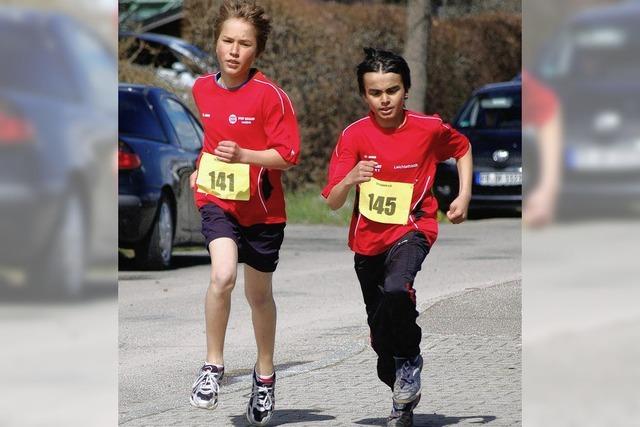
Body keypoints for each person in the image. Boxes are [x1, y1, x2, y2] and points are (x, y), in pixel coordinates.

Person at [322, 48, 472, 427]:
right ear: (364, 95)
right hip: (367, 241)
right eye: (375, 93)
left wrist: (464, 196)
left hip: (413, 228)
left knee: (396, 287)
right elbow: (333, 202)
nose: (384, 100)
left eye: (392, 90)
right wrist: (350, 178)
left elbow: (463, 148)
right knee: (380, 338)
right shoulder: (354, 136)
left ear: (406, 89)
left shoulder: (427, 128)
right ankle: (400, 386)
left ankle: (410, 359)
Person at [188, 1, 300, 425]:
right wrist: (202, 169)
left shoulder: (270, 96)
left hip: (264, 212)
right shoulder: (201, 88)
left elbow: (288, 156)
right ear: (216, 42)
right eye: (227, 41)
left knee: (259, 297)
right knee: (222, 276)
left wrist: (245, 156)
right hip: (219, 203)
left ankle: (265, 375)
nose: (234, 51)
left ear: (258, 50)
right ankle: (213, 367)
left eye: (244, 44)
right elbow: (212, 140)